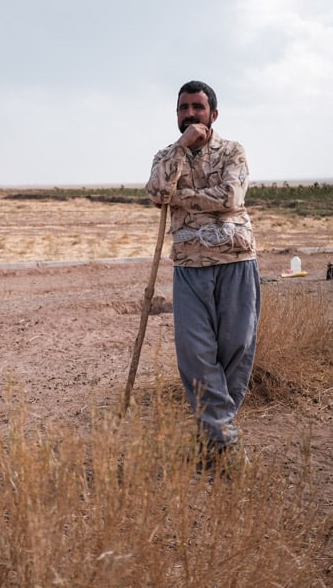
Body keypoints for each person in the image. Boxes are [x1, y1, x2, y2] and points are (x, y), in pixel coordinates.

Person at [144, 80, 260, 471]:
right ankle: (225, 441)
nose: (190, 114)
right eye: (183, 108)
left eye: (197, 107)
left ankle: (212, 438)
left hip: (236, 260)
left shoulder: (232, 151)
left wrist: (181, 198)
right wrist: (180, 150)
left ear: (214, 112)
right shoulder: (167, 155)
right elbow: (157, 193)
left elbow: (231, 199)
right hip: (190, 266)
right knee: (196, 355)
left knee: (237, 349)